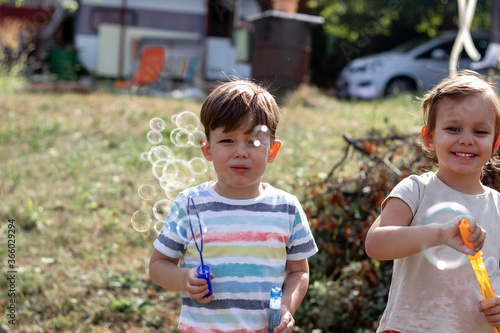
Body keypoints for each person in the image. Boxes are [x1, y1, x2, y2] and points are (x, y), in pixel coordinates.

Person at [149, 80, 318, 333]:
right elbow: (158, 266)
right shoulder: (190, 204)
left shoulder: (286, 208)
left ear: (272, 150)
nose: (241, 152)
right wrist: (185, 279)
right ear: (207, 149)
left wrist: (286, 307)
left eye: (254, 142)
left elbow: (298, 272)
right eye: (227, 140)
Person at [365, 70, 500, 332]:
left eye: (480, 131)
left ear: (495, 144)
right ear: (429, 137)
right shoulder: (416, 190)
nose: (466, 139)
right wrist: (437, 234)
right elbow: (375, 244)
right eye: (453, 128)